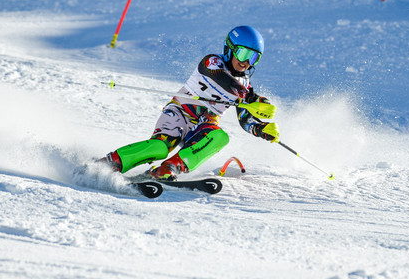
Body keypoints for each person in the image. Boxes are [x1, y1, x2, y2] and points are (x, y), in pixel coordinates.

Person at [101, 26, 280, 180]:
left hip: (203, 127)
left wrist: (260, 128)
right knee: (160, 147)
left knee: (221, 137)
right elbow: (222, 79)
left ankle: (168, 169)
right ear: (230, 49)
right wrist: (250, 97)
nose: (246, 62)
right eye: (244, 54)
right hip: (179, 114)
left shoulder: (245, 85)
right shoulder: (213, 61)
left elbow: (245, 119)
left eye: (254, 57)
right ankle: (109, 163)